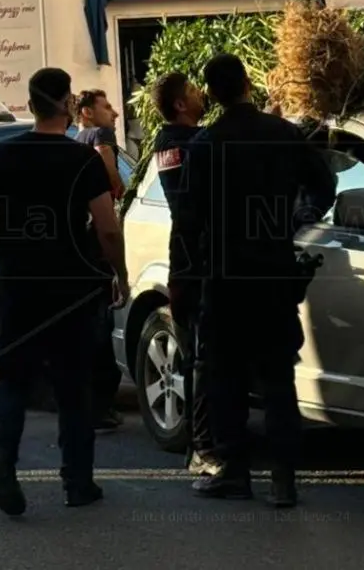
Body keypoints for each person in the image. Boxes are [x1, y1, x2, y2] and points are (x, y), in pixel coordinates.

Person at [0, 67, 131, 517]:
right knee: (73, 385)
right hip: (73, 289)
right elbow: (107, 226)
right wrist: (117, 273)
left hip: (17, 284)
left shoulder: (2, 156)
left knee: (12, 375)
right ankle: (77, 483)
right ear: (65, 103)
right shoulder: (82, 160)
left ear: (31, 102)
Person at [180, 53, 337, 508]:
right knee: (276, 378)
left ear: (211, 95)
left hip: (225, 278)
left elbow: (187, 222)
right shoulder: (284, 135)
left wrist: (187, 277)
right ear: (248, 84)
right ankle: (284, 478)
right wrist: (297, 220)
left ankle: (234, 471)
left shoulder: (206, 145)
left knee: (225, 378)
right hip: (272, 272)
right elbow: (322, 185)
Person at [147, 72, 220, 477]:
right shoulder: (173, 144)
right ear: (179, 105)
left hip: (208, 261)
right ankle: (200, 444)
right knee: (198, 356)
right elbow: (189, 194)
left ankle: (217, 437)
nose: (202, 94)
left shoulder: (201, 138)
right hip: (192, 264)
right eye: (194, 90)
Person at [74, 88, 126, 432]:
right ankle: (101, 408)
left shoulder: (74, 138)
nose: (115, 114)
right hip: (98, 241)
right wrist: (117, 183)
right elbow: (106, 158)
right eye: (107, 107)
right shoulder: (99, 135)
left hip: (82, 243)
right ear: (88, 112)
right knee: (100, 328)